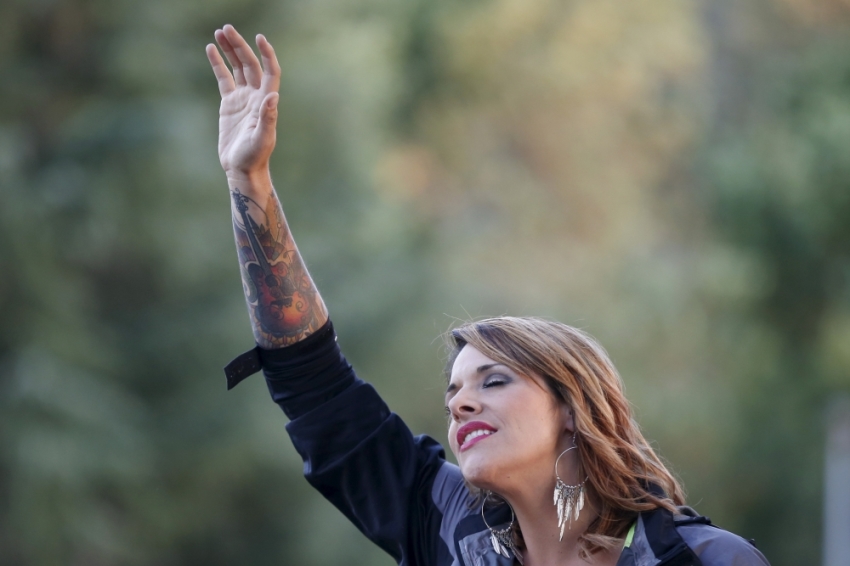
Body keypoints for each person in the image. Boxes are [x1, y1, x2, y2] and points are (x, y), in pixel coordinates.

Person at [206, 24, 772, 566]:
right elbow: (314, 385)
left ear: (573, 410)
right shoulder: (446, 530)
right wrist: (248, 181)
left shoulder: (704, 559)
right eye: (453, 391)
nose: (459, 404)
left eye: (493, 380)